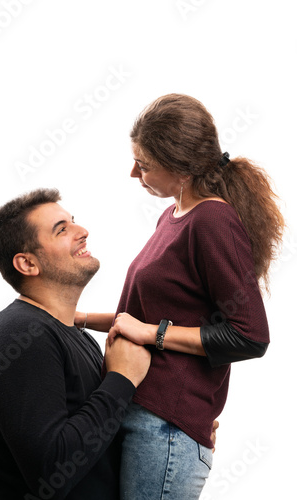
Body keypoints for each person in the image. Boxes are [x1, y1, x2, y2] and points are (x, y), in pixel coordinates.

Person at [74, 94, 285, 499]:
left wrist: (152, 333)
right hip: (141, 414)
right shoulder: (171, 217)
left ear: (181, 168)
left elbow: (250, 335)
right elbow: (131, 318)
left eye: (145, 164)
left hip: (166, 428)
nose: (134, 172)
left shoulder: (212, 220)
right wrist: (73, 318)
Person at [0, 188, 152, 500]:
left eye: (73, 222)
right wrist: (122, 379)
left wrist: (169, 430)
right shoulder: (20, 335)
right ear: (27, 264)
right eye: (62, 230)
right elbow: (51, 471)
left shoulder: (76, 336)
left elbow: (96, 441)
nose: (82, 232)